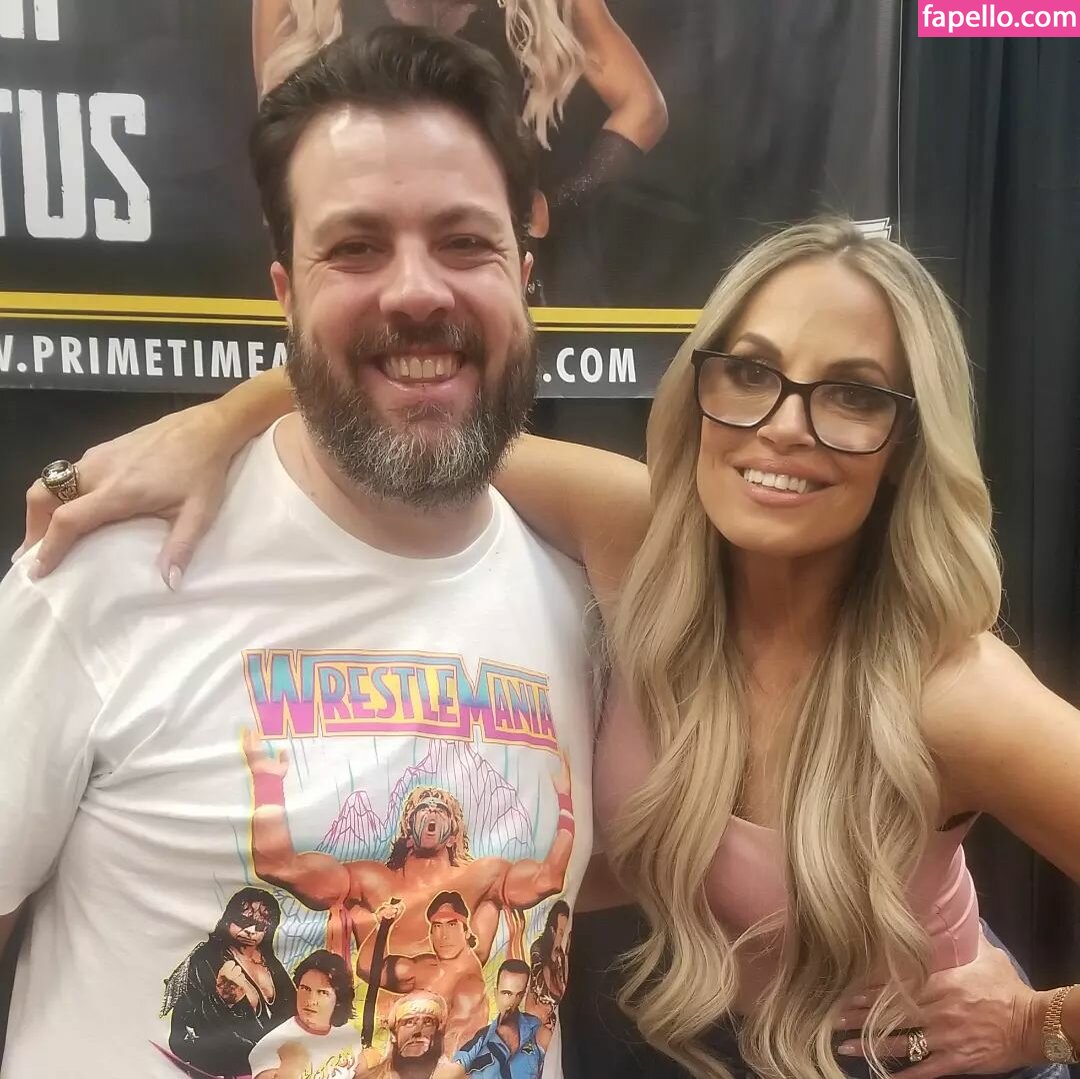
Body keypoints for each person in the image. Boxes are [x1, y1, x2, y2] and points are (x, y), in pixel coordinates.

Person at [21, 216, 1080, 1079]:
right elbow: (401, 413)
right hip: (711, 1044)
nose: (785, 425)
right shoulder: (644, 536)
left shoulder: (952, 692)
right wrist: (217, 422)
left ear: (907, 442)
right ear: (700, 387)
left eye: (852, 393)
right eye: (751, 371)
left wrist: (1036, 1024)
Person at [0, 26, 596, 1079]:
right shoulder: (106, 570)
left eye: (465, 242)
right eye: (355, 247)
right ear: (284, 289)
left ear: (525, 277)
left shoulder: (591, 598)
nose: (417, 290)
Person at [161, 888, 296, 1078]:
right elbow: (182, 1035)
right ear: (228, 919)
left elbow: (292, 1015)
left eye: (259, 926)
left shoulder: (271, 963)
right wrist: (220, 1000)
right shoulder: (205, 959)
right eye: (243, 921)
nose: (250, 931)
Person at [362, 891, 491, 1054]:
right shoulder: (425, 968)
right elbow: (369, 969)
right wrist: (382, 927)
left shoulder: (470, 986)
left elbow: (454, 1052)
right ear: (430, 933)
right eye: (437, 926)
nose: (444, 935)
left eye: (452, 925)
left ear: (466, 932)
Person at [248, 949, 363, 1079]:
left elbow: (364, 1074)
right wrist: (290, 1070)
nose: (310, 1000)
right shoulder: (270, 1045)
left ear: (338, 999)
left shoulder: (349, 1034)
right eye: (305, 989)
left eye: (322, 992)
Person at [449, 959, 544, 1079]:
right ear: (496, 993)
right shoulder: (481, 1040)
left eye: (519, 994)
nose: (512, 1002)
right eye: (506, 993)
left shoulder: (536, 1028)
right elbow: (451, 1071)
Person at [525, 901, 570, 1050]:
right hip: (536, 1028)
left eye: (567, 933)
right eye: (561, 932)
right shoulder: (538, 950)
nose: (564, 938)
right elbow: (535, 992)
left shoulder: (564, 958)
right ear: (552, 931)